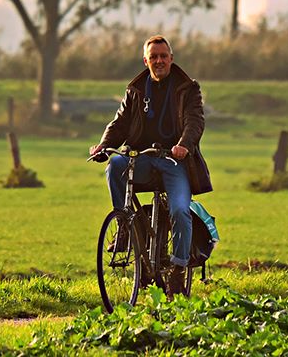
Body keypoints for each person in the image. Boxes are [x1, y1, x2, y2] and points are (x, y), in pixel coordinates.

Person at [89, 35, 212, 295]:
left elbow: (195, 121)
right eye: (153, 57)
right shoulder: (135, 90)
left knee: (179, 211)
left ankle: (178, 271)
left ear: (171, 59)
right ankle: (125, 226)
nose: (159, 61)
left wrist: (184, 145)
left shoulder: (187, 88)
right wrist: (102, 146)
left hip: (174, 161)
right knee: (115, 166)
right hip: (141, 158)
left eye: (163, 56)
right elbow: (119, 124)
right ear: (145, 61)